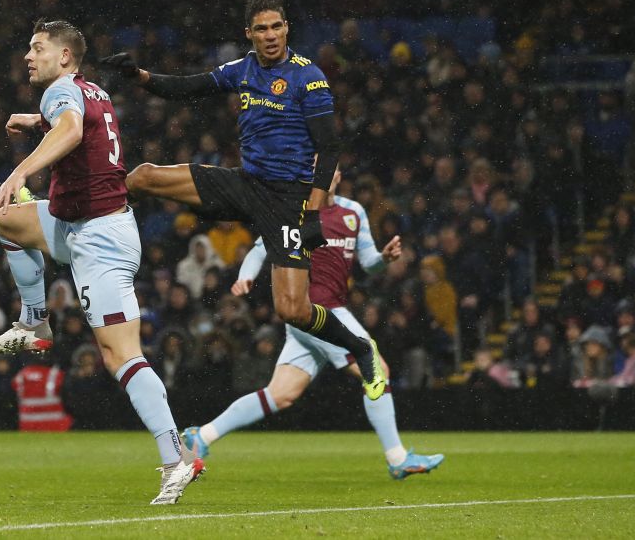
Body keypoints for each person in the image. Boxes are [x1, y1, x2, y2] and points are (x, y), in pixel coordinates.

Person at [100, 0, 386, 399]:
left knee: (293, 310)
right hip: (245, 185)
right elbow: (188, 87)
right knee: (143, 176)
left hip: (289, 200)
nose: (270, 35)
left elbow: (330, 147)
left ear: (286, 28)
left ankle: (360, 346)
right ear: (248, 33)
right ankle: (77, 209)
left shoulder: (310, 77)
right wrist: (139, 76)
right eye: (261, 29)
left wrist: (313, 211)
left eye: (277, 27)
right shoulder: (244, 69)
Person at [0, 19, 201, 505]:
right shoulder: (89, 89)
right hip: (76, 223)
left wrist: (21, 168)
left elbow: (73, 130)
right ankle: (34, 322)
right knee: (9, 222)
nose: (28, 57)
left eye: (37, 48)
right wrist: (36, 124)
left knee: (121, 356)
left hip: (101, 239)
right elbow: (82, 122)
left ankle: (176, 459)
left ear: (65, 58)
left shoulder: (59, 93)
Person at [181, 169, 444, 479]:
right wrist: (245, 276)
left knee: (281, 394)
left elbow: (368, 263)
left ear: (337, 175)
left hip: (322, 315)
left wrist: (384, 259)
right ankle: (398, 458)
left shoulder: (354, 211)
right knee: (377, 369)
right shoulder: (295, 210)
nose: (324, 173)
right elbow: (260, 248)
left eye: (328, 168)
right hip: (315, 310)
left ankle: (203, 436)